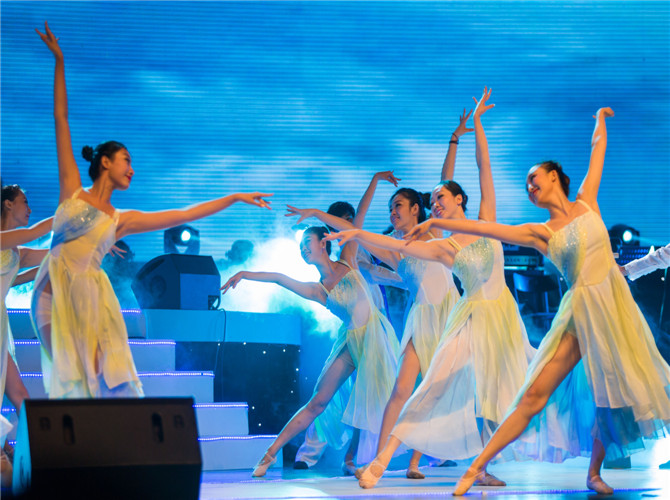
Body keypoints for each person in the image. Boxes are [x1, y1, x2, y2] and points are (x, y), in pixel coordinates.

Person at [403, 107, 670, 496]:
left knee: (614, 396)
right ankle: (476, 466)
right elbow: (485, 227)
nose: (529, 187)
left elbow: (597, 149)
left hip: (615, 312)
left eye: (534, 178)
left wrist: (599, 118)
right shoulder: (539, 231)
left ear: (554, 177)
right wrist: (437, 222)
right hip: (579, 313)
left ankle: (594, 473)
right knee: (533, 395)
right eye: (527, 184)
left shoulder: (587, 203)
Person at [31, 22, 272, 399]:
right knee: (69, 378)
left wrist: (234, 197)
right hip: (52, 289)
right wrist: (59, 60)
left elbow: (185, 214)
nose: (132, 168)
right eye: (126, 160)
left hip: (91, 297)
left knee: (98, 383)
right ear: (105, 161)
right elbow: (61, 119)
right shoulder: (72, 190)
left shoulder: (120, 220)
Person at [327, 88, 536, 489]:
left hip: (502, 318)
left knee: (494, 393)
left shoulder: (486, 221)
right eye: (433, 199)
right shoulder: (442, 246)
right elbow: (396, 246)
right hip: (465, 318)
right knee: (432, 387)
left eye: (441, 197)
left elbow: (483, 166)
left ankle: (480, 467)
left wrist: (475, 126)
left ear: (459, 199)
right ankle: (381, 460)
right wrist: (355, 232)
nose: (435, 202)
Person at [222, 226, 399, 477]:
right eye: (301, 245)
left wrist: (319, 209)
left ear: (323, 243)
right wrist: (244, 273)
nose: (303, 248)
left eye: (308, 242)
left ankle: (361, 460)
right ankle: (270, 453)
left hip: (375, 339)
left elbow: (357, 221)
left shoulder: (348, 259)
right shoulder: (318, 290)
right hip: (350, 342)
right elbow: (279, 278)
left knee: (374, 402)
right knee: (318, 402)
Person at [0, 185, 53, 487]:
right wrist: (66, 217)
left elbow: (53, 254)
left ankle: (35, 460)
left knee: (21, 396)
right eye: (24, 202)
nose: (29, 208)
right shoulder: (3, 240)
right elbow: (33, 233)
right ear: (8, 204)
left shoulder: (15, 252)